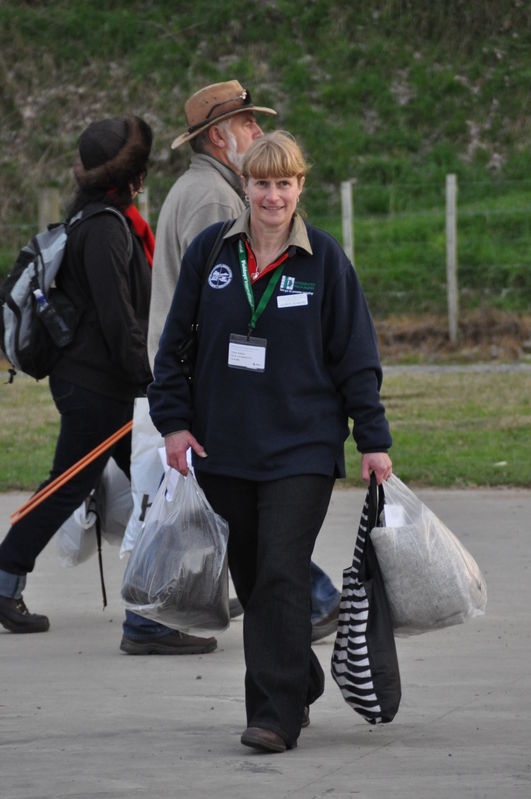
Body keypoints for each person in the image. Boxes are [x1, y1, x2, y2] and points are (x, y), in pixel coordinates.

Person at [147, 131, 393, 753]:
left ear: (300, 187)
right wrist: (174, 422)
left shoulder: (325, 261)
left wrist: (372, 438)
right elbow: (173, 348)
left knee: (283, 573)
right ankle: (298, 676)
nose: (273, 195)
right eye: (262, 183)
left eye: (285, 183)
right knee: (257, 583)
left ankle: (273, 717)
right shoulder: (213, 253)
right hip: (223, 449)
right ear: (246, 188)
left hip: (302, 450)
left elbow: (355, 357)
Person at [121, 80, 341, 654]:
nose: (258, 131)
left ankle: (296, 619)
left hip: (204, 391)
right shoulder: (219, 203)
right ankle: (300, 606)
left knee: (242, 532)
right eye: (247, 124)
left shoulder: (195, 187)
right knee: (244, 536)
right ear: (220, 138)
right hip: (213, 394)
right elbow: (230, 301)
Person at [0, 116, 214, 656]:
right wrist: (154, 382)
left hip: (100, 385)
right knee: (72, 484)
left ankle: (188, 591)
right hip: (99, 388)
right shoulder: (106, 229)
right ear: (134, 178)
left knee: (163, 479)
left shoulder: (99, 221)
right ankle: (4, 578)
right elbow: (120, 323)